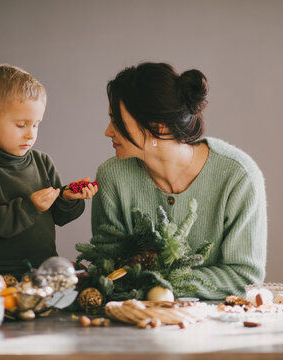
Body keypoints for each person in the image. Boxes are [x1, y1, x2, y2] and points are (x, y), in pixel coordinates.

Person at [91, 62, 267, 300]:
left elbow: (245, 276)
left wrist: (163, 283)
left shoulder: (238, 176)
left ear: (156, 125)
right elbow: (109, 270)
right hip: (137, 324)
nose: (108, 131)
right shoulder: (112, 177)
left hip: (220, 328)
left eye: (117, 120)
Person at [0, 64, 98, 277]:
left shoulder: (42, 161)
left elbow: (59, 217)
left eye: (36, 125)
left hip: (41, 274)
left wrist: (68, 199)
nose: (30, 135)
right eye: (21, 124)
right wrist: (29, 207)